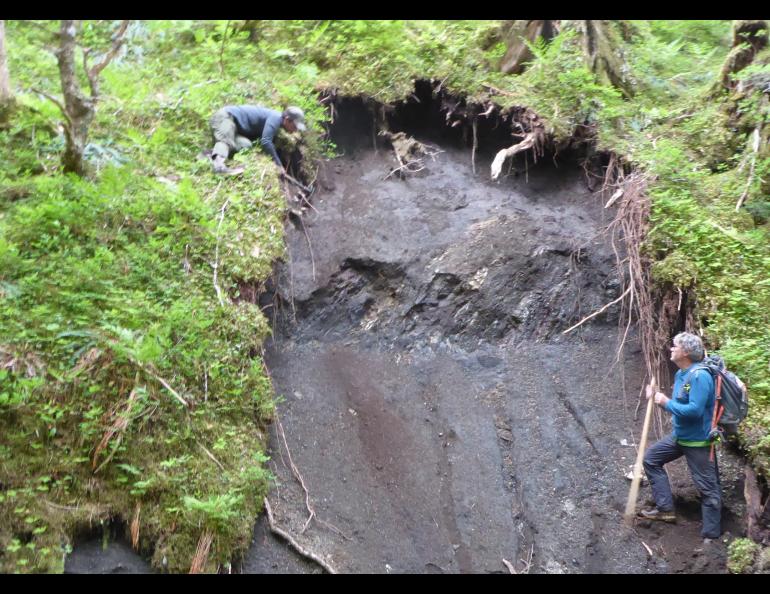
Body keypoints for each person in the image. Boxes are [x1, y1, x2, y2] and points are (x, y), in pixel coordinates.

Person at [640, 332, 722, 541]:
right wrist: (657, 398)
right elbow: (681, 403)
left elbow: (694, 410)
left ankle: (711, 537)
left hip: (698, 441)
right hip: (680, 437)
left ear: (685, 352)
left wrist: (664, 401)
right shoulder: (682, 375)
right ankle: (665, 509)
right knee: (651, 459)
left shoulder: (699, 376)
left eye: (674, 346)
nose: (671, 349)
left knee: (708, 489)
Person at [208, 104, 306, 175]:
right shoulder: (275, 118)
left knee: (246, 145)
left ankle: (212, 154)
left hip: (235, 130)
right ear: (287, 120)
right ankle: (219, 167)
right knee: (225, 141)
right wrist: (278, 165)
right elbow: (266, 141)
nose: (296, 130)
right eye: (295, 126)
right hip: (226, 118)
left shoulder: (277, 123)